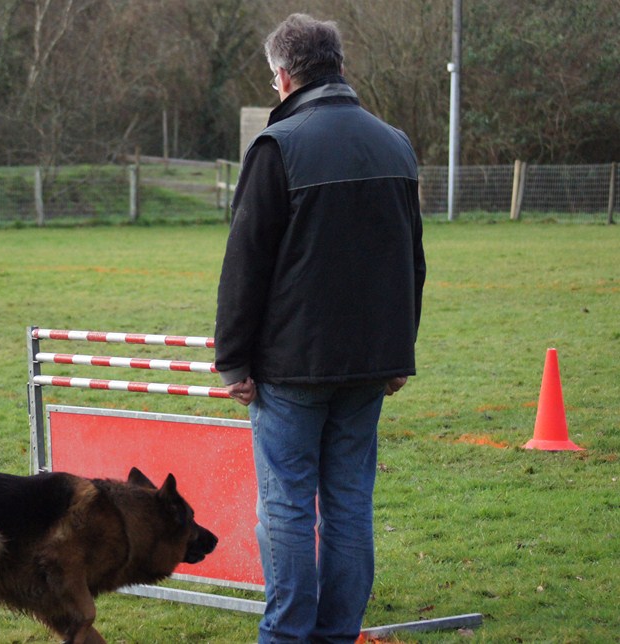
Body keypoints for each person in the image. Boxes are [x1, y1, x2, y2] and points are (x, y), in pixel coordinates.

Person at [215, 13, 426, 644]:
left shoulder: (277, 147)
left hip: (292, 366)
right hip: (369, 364)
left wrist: (233, 360)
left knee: (284, 506)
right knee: (348, 506)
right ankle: (338, 634)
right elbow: (411, 261)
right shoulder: (396, 143)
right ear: (338, 66)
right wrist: (398, 352)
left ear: (283, 75)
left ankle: (284, 635)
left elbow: (245, 263)